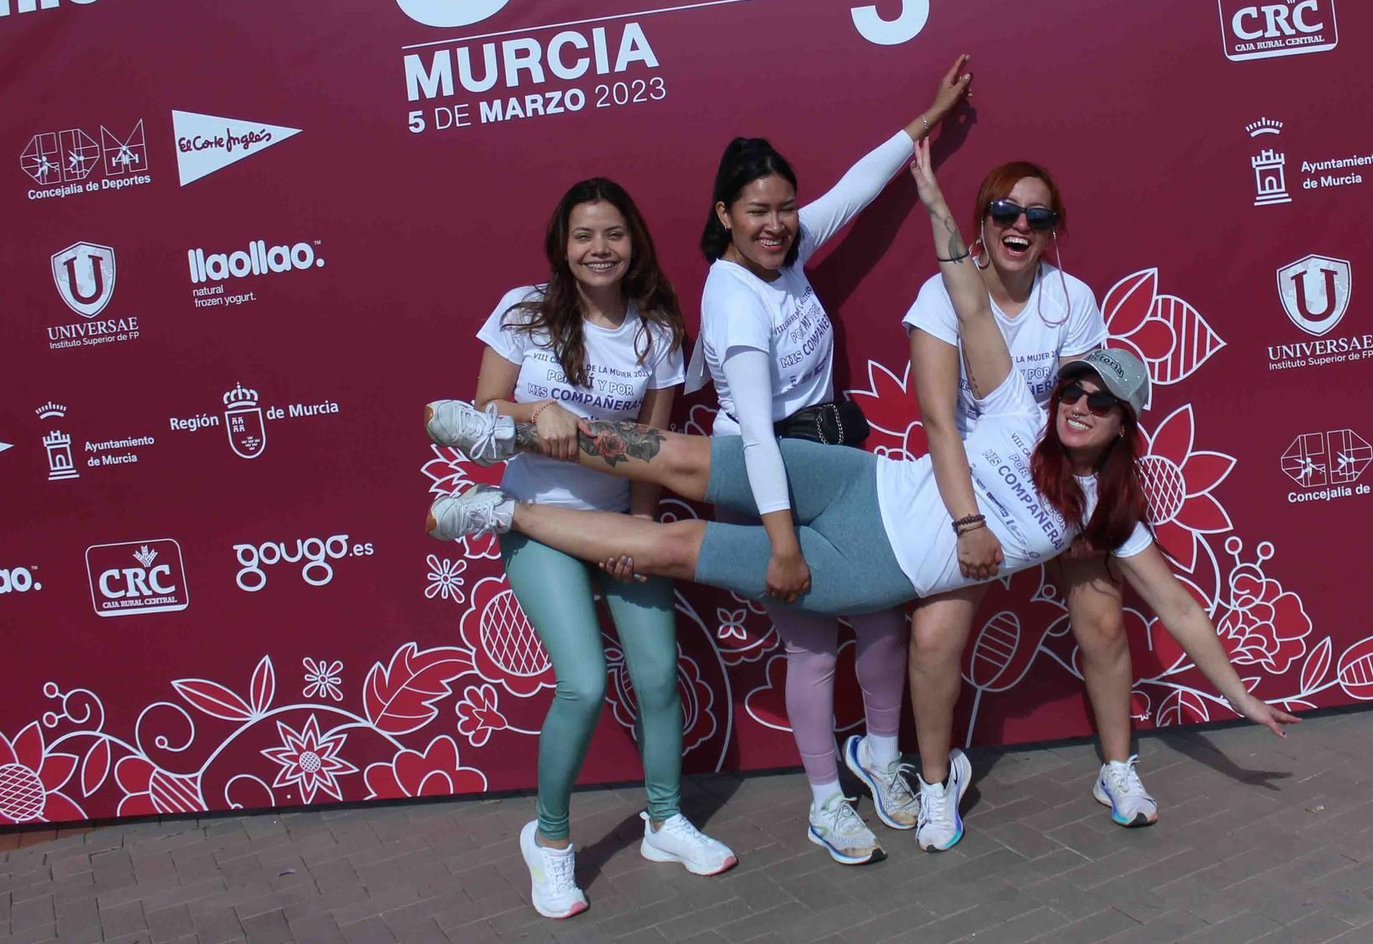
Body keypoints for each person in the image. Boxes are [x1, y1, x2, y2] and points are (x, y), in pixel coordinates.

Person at [425, 138, 1296, 854]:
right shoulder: (1022, 411)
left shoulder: (1107, 512)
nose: (1078, 406)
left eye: (1100, 402)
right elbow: (968, 297)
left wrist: (1243, 696)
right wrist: (939, 208)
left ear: (1121, 425)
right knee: (673, 453)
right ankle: (503, 434)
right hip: (855, 477)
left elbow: (1179, 611)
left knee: (677, 550)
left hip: (863, 564)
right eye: (1075, 388)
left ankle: (499, 511)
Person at [686, 53, 970, 865]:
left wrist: (930, 117)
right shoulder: (735, 296)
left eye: (782, 208)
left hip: (834, 457)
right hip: (768, 474)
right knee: (811, 643)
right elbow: (762, 439)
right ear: (725, 213)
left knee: (882, 619)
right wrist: (780, 544)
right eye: (756, 211)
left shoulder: (789, 243)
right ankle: (823, 802)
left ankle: (881, 760)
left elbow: (856, 185)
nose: (775, 224)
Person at [464, 178, 734, 920]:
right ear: (564, 244)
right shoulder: (525, 313)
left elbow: (653, 450)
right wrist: (535, 407)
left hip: (618, 522)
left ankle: (665, 820)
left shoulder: (656, 331)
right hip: (539, 520)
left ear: (633, 240)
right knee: (582, 683)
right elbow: (482, 408)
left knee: (657, 674)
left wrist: (640, 539)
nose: (599, 248)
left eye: (613, 233)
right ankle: (550, 844)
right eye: (584, 235)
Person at [903, 161, 1161, 829]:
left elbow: (1083, 413)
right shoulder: (941, 294)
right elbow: (938, 419)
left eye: (1038, 217)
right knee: (932, 634)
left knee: (1103, 619)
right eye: (1004, 211)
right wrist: (967, 520)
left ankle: (1117, 769)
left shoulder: (1074, 298)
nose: (1020, 226)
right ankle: (937, 782)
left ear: (1054, 231)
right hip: (971, 484)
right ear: (981, 220)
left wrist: (1075, 509)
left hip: (1055, 485)